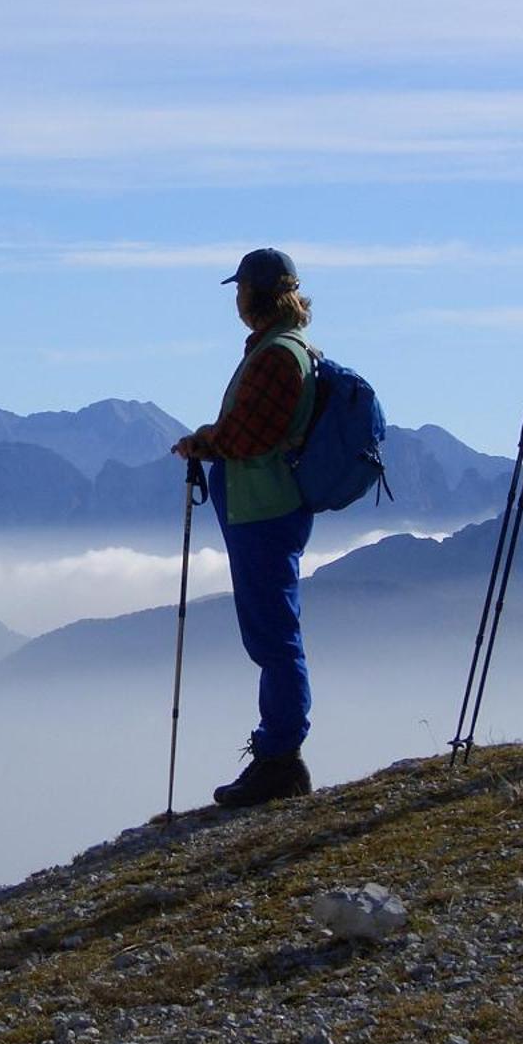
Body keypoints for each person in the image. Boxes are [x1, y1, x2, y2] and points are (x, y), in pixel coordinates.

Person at [173, 247, 318, 807]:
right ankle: (278, 753)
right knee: (273, 632)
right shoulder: (284, 349)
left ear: (258, 294)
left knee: (273, 636)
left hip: (264, 510)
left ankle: (280, 758)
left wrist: (205, 443)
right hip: (266, 506)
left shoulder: (278, 355)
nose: (237, 300)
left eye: (241, 290)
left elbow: (250, 437)